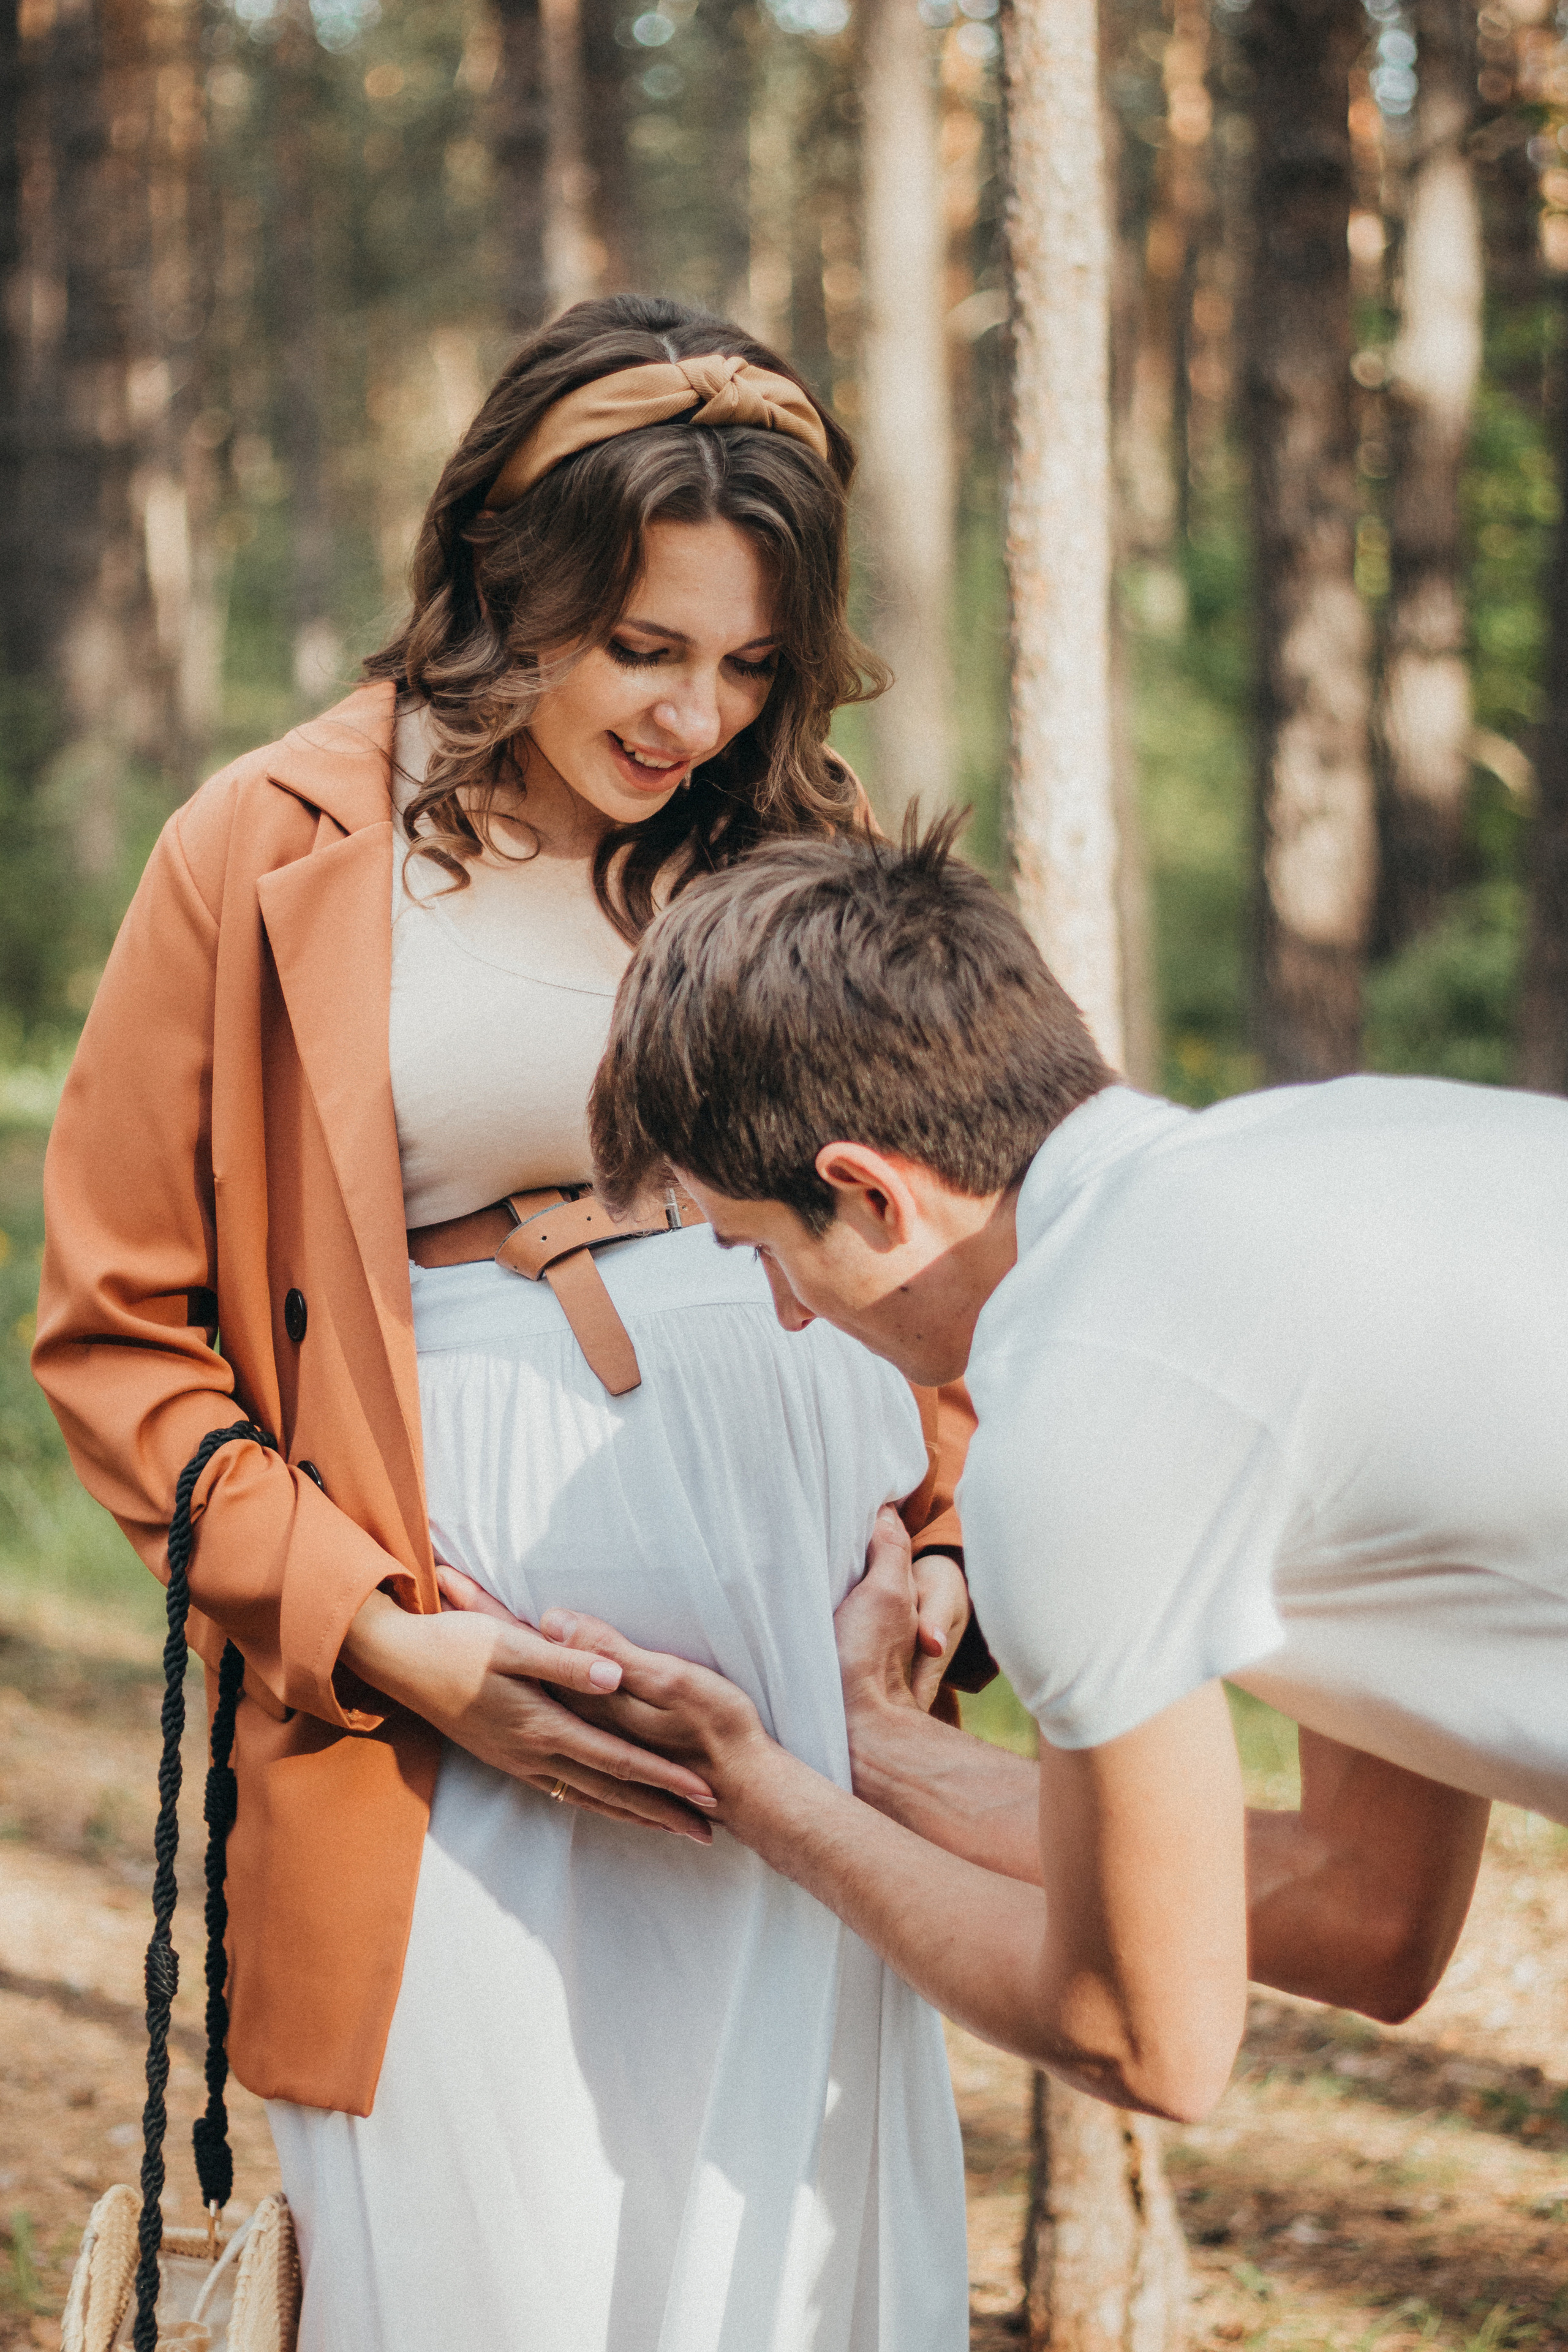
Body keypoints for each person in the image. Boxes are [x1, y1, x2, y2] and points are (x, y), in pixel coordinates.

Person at [32, 299, 985, 2350]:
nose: (691, 717)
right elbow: (120, 1338)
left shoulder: (799, 838)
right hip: (440, 1681)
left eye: (747, 661)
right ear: (506, 578)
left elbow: (965, 1242)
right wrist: (392, 1641)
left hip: (816, 1668)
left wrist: (941, 1554)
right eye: (641, 646)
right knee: (502, 2266)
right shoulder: (271, 846)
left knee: (787, 2261)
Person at [491, 815, 1568, 2126]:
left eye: (757, 1247)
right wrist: (870, 1753)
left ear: (872, 1195)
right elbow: (1365, 1910)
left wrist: (763, 1796)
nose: (780, 1311)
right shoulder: (1344, 1152)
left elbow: (1143, 2042)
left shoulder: (1079, 1420)